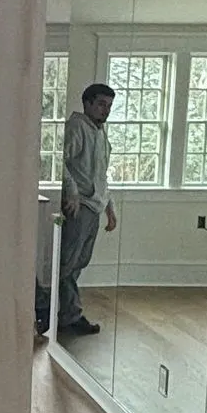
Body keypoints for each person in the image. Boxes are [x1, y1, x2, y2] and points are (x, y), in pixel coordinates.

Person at [37, 82, 117, 338]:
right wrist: (70, 192)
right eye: (102, 104)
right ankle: (50, 310)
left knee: (78, 263)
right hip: (78, 206)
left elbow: (101, 175)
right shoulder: (77, 128)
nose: (106, 110)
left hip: (94, 206)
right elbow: (58, 161)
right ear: (88, 104)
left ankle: (63, 313)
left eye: (109, 106)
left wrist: (109, 208)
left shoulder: (101, 134)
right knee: (67, 263)